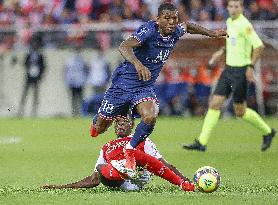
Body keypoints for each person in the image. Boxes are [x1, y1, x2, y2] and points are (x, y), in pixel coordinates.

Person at [89, 3, 227, 172]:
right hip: (122, 86)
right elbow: (124, 46)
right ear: (158, 19)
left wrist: (212, 34)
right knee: (99, 128)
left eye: (174, 18)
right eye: (167, 18)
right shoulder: (148, 30)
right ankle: (103, 119)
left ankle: (130, 150)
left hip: (144, 87)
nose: (171, 22)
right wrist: (138, 64)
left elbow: (189, 26)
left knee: (150, 117)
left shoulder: (176, 31)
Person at [183, 0, 276, 152]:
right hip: (228, 70)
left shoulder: (244, 25)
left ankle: (268, 131)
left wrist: (251, 67)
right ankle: (202, 142)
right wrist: (220, 52)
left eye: (236, 6)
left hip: (241, 71)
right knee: (214, 103)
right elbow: (232, 42)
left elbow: (259, 46)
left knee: (240, 111)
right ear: (227, 7)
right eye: (231, 6)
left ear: (241, 8)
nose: (233, 9)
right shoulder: (229, 22)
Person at [42, 116, 194, 192]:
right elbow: (94, 180)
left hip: (139, 178)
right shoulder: (107, 146)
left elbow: (163, 164)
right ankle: (121, 169)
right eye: (117, 123)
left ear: (132, 125)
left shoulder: (142, 140)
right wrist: (60, 187)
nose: (120, 126)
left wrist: (186, 180)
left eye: (124, 123)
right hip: (119, 183)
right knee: (102, 168)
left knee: (132, 152)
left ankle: (128, 167)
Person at [17, 35, 46, 117]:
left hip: (36, 78)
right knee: (25, 94)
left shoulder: (40, 56)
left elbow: (43, 66)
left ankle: (34, 112)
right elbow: (24, 63)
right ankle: (21, 111)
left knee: (35, 95)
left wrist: (40, 74)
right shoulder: (29, 55)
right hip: (29, 77)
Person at [64, 45, 88, 117]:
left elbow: (86, 70)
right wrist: (67, 81)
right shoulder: (69, 61)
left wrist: (85, 79)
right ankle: (74, 112)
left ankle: (81, 113)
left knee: (80, 98)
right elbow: (66, 72)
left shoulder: (82, 61)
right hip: (72, 82)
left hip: (80, 81)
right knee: (73, 99)